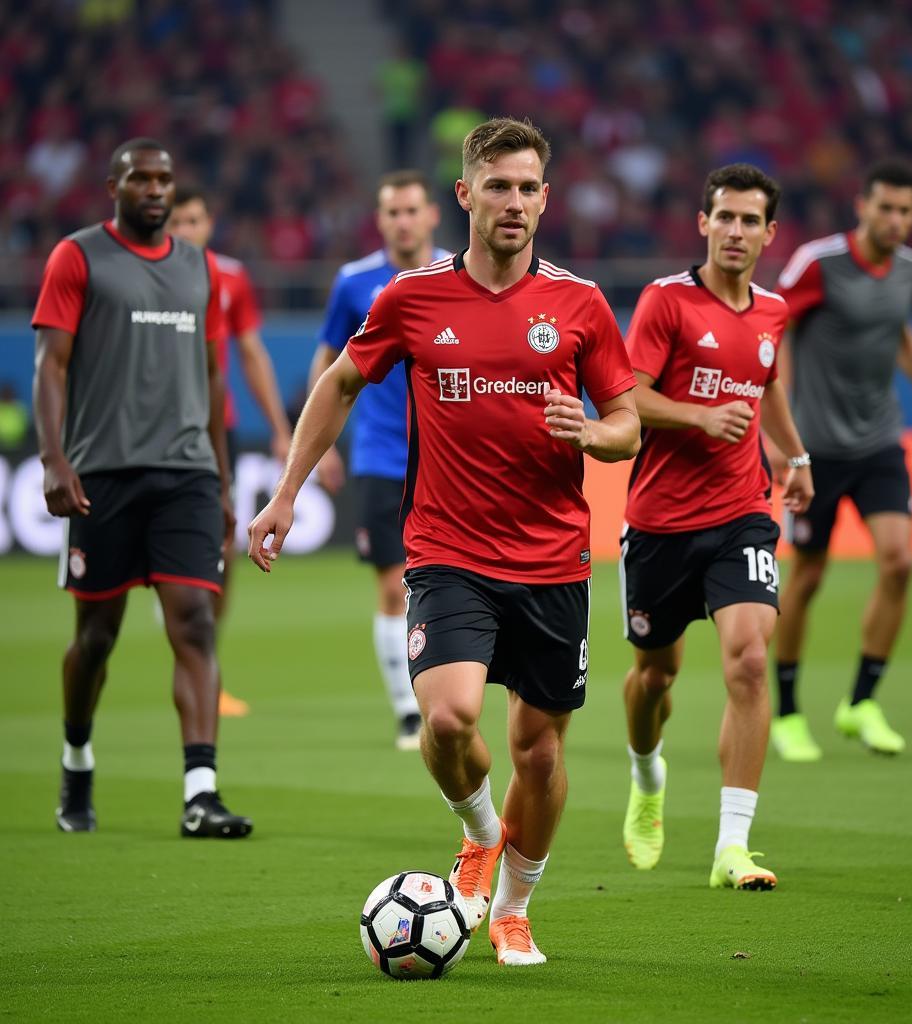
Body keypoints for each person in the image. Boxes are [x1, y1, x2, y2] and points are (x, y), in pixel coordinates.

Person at [248, 117, 638, 964]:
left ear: (546, 197)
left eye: (529, 186)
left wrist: (593, 434)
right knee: (453, 716)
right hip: (448, 550)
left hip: (553, 560)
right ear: (463, 195)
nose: (515, 202)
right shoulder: (412, 298)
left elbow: (629, 424)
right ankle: (478, 828)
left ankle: (514, 907)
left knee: (539, 751)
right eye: (497, 185)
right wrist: (286, 494)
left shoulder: (580, 304)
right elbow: (340, 382)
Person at [32, 137, 252, 839]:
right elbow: (51, 364)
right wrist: (53, 458)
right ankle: (76, 757)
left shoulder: (199, 270)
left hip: (185, 471)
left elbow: (215, 375)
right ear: (114, 186)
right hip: (104, 472)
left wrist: (219, 478)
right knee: (96, 636)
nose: (155, 189)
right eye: (141, 179)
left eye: (164, 178)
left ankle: (201, 791)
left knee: (193, 621)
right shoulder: (78, 256)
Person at [619, 164, 813, 888]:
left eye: (749, 220)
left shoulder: (772, 310)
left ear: (769, 232)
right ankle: (647, 775)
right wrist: (699, 415)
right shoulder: (665, 303)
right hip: (659, 522)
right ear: (702, 223)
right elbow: (629, 398)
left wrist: (793, 455)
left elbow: (768, 385)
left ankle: (733, 846)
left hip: (742, 514)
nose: (735, 231)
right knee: (653, 677)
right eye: (723, 217)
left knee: (750, 659)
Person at [769, 160, 912, 762]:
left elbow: (898, 332)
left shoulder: (908, 268)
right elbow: (774, 329)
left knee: (899, 562)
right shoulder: (820, 264)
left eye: (906, 211)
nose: (896, 220)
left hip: (879, 442)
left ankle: (861, 702)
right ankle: (789, 712)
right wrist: (784, 429)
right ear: (862, 207)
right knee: (809, 577)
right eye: (886, 208)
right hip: (816, 448)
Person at [308, 169, 447, 751]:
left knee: (441, 582)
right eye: (393, 212)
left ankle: (447, 696)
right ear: (381, 218)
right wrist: (321, 446)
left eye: (412, 210)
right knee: (394, 587)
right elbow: (329, 363)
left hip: (445, 459)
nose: (403, 221)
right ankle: (408, 711)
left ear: (432, 214)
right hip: (381, 456)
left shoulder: (454, 275)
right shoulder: (354, 282)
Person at [168, 185, 293, 718]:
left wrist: (281, 428)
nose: (186, 231)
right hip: (144, 437)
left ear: (208, 224)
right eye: (177, 222)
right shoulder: (136, 275)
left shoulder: (231, 278)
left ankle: (205, 670)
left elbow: (250, 353)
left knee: (222, 547)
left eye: (194, 220)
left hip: (213, 436)